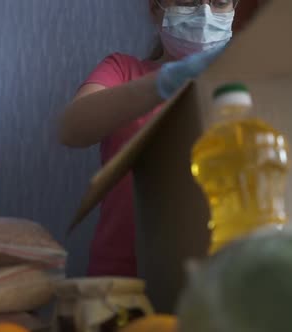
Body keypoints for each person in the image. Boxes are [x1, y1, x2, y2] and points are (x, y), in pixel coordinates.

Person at [59, 0, 244, 277]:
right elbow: (72, 128)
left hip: (220, 276)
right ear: (155, 8)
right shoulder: (122, 70)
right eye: (188, 1)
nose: (205, 15)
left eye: (219, 2)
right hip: (121, 278)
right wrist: (166, 80)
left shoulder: (241, 84)